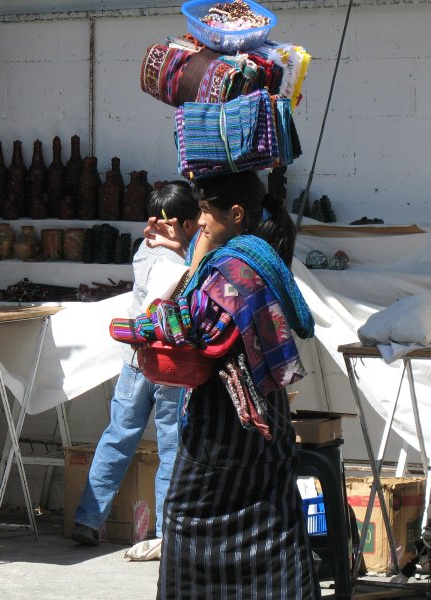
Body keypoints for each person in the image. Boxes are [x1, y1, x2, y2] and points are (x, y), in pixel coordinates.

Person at [137, 170, 320, 598]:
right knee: (275, 523)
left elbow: (187, 325)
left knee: (186, 516)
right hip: (266, 419)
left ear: (235, 214)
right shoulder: (257, 257)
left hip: (228, 424)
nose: (199, 220)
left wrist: (194, 257)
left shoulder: (231, 268)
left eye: (203, 210)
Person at [71, 182, 201, 550]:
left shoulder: (145, 247)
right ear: (185, 224)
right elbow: (189, 282)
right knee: (172, 445)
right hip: (171, 364)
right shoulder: (181, 259)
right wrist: (183, 248)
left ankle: (87, 518)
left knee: (118, 436)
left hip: (135, 360)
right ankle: (166, 533)